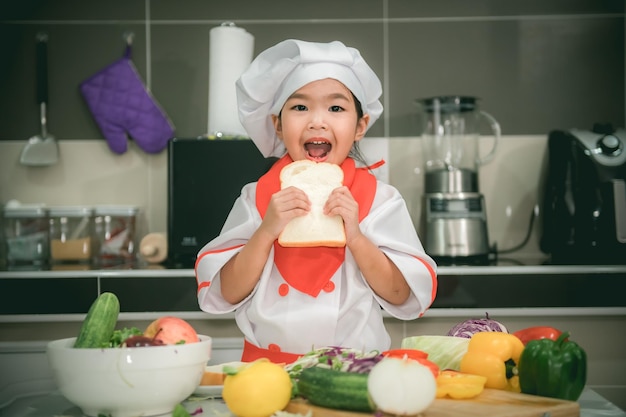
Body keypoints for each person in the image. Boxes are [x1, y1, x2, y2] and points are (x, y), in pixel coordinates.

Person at [196, 39, 437, 364]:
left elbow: (401, 295)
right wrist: (266, 232)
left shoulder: (380, 200)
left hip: (354, 371)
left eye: (336, 108)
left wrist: (357, 238)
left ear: (360, 126)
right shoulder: (256, 198)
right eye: (300, 107)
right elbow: (226, 292)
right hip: (267, 372)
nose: (317, 121)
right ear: (278, 125)